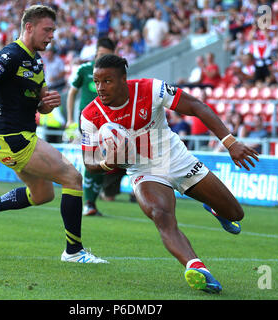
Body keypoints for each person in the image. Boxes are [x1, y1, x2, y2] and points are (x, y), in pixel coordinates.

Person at [81, 54, 259, 293]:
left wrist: (230, 142)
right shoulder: (90, 115)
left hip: (176, 159)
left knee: (236, 213)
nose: (100, 88)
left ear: (124, 79)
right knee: (160, 214)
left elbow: (197, 106)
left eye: (108, 81)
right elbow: (88, 161)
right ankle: (196, 267)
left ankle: (216, 208)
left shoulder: (151, 88)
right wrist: (107, 163)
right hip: (143, 170)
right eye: (97, 81)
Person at [0, 5, 106, 264]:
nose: (52, 36)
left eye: (54, 30)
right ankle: (73, 251)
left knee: (42, 195)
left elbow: (38, 102)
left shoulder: (35, 59)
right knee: (72, 177)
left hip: (19, 138)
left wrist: (45, 104)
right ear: (29, 27)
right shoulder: (10, 56)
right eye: (47, 30)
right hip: (12, 138)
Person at [66, 37, 116, 216]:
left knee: (103, 163)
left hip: (108, 122)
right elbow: (72, 93)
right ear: (96, 53)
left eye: (106, 55)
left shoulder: (116, 74)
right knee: (93, 158)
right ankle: (88, 202)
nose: (102, 58)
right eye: (100, 54)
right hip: (88, 121)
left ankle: (91, 202)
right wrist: (70, 119)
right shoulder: (84, 69)